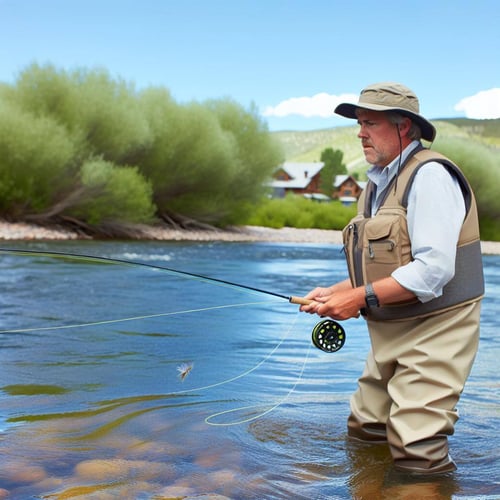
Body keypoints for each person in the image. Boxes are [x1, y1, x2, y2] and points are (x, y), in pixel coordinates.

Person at [300, 82, 484, 475]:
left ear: (404, 128)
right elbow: (382, 266)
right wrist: (335, 292)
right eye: (359, 123)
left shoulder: (431, 176)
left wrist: (357, 299)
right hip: (390, 332)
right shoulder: (374, 185)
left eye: (370, 123)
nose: (360, 132)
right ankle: (371, 486)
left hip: (438, 330)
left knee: (416, 446)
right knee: (367, 429)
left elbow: (432, 271)